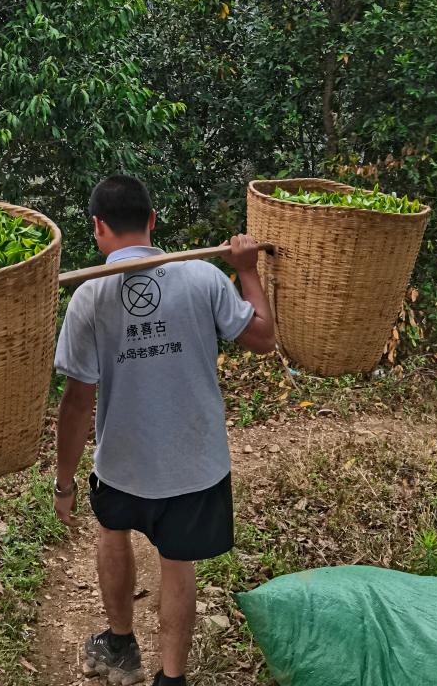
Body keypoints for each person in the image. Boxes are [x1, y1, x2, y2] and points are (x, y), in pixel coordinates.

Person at [52, 175, 276, 686]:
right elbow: (264, 338)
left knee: (112, 534)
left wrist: (65, 483)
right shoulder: (203, 278)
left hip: (121, 464)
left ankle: (120, 645)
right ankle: (171, 679)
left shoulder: (89, 298)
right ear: (153, 221)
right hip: (194, 464)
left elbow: (76, 403)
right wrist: (247, 271)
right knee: (178, 566)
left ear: (98, 229)